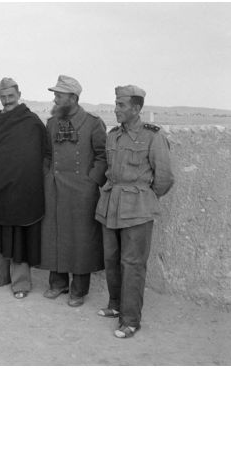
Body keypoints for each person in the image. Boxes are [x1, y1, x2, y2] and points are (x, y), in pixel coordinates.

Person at [95, 84, 174, 338]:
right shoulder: (113, 135)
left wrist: (143, 197)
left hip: (137, 208)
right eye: (116, 103)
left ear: (136, 108)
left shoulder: (153, 136)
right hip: (110, 204)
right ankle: (115, 305)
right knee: (111, 259)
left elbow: (164, 178)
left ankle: (130, 319)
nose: (115, 109)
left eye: (121, 105)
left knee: (133, 264)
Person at [40, 75, 107, 306]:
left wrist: (91, 182)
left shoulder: (92, 123)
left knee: (81, 239)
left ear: (73, 98)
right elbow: (47, 155)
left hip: (82, 192)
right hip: (55, 189)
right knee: (55, 234)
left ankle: (78, 290)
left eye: (59, 95)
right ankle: (58, 283)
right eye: (55, 95)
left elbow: (102, 156)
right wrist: (48, 177)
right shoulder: (51, 124)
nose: (55, 99)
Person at [0, 77, 47, 299]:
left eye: (10, 96)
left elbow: (41, 156)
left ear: (19, 94)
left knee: (19, 235)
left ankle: (20, 283)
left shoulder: (32, 122)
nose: (6, 100)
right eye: (3, 97)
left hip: (22, 189)